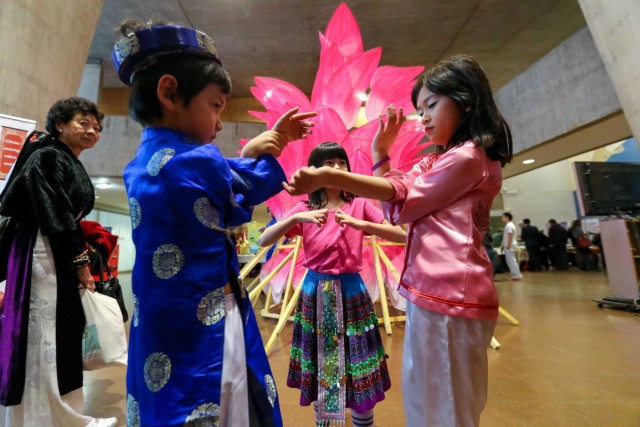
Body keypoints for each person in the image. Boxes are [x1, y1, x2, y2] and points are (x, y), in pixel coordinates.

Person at [283, 55, 513, 427]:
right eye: (419, 109)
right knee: (416, 389)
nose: (422, 117)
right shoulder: (440, 160)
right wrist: (380, 155)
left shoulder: (469, 157)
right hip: (374, 291)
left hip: (440, 294)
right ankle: (330, 419)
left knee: (435, 397)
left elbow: (398, 209)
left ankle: (360, 419)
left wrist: (355, 206)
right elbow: (398, 197)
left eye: (431, 105)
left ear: (466, 100)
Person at [112, 21, 316, 427]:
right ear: (169, 92)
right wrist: (267, 152)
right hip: (205, 317)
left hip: (158, 316)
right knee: (221, 404)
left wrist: (252, 152)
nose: (219, 122)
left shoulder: (137, 167)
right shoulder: (201, 161)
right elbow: (241, 188)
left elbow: (217, 177)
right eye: (216, 106)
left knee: (164, 402)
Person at [258, 142, 404, 427]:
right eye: (329, 164)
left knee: (359, 366)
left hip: (352, 292)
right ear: (314, 172)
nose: (337, 168)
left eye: (341, 163)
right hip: (316, 293)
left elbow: (400, 234)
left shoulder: (360, 205)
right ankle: (325, 422)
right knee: (322, 366)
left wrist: (363, 226)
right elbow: (264, 241)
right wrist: (297, 217)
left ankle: (364, 421)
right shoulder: (305, 209)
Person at [0, 97, 118, 426]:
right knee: (44, 333)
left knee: (59, 331)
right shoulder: (49, 156)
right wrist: (81, 262)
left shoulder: (63, 158)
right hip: (42, 251)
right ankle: (43, 419)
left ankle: (61, 415)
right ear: (59, 124)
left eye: (97, 127)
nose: (92, 131)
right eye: (84, 123)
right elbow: (56, 213)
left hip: (51, 249)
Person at [501, 212, 523, 280]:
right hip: (511, 245)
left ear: (507, 217)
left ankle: (516, 276)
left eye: (503, 216)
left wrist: (508, 245)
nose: (502, 218)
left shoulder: (509, 225)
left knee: (511, 261)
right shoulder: (510, 225)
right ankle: (516, 275)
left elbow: (509, 235)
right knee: (511, 261)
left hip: (510, 245)